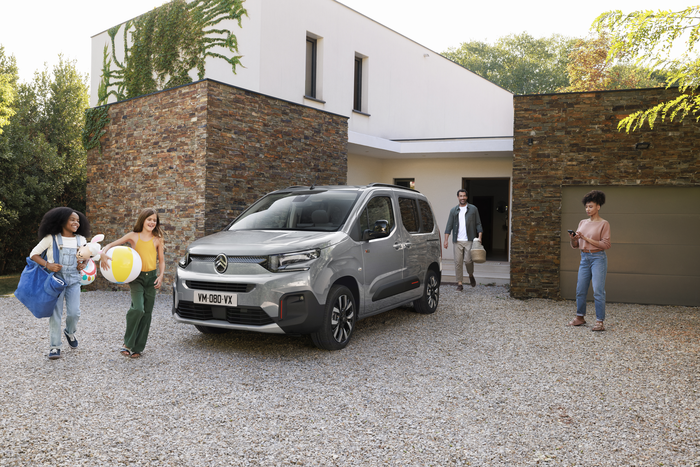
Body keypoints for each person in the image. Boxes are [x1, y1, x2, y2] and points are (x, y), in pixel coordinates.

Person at [101, 208, 165, 358]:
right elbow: (111, 244)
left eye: (154, 220)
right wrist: (103, 253)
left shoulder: (158, 239)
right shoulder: (133, 236)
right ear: (142, 220)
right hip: (136, 278)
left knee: (147, 313)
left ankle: (138, 348)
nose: (152, 222)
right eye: (149, 219)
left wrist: (161, 275)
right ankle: (127, 344)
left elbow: (161, 260)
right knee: (138, 309)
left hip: (151, 278)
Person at [29, 207, 91, 360]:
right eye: (72, 220)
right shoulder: (51, 238)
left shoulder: (81, 240)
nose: (76, 223)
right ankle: (55, 346)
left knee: (74, 313)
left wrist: (83, 264)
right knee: (55, 314)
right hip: (55, 282)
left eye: (78, 220)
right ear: (62, 221)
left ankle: (69, 332)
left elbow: (86, 257)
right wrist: (48, 265)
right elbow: (33, 254)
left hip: (74, 281)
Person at [568, 190, 611, 331]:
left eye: (591, 206)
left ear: (598, 207)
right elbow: (576, 245)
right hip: (584, 258)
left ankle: (599, 321)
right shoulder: (582, 222)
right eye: (586, 207)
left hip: (598, 258)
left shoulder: (604, 224)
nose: (588, 209)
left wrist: (585, 238)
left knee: (598, 290)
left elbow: (606, 245)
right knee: (580, 289)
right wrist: (573, 239)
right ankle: (580, 317)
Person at [444, 189, 483, 291]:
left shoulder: (473, 209)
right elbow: (449, 226)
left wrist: (480, 237)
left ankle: (470, 275)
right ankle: (460, 283)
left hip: (469, 240)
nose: (462, 198)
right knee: (458, 262)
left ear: (467, 197)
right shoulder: (453, 210)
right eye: (460, 196)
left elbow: (478, 224)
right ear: (458, 197)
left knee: (468, 260)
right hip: (457, 241)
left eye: (464, 196)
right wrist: (446, 240)